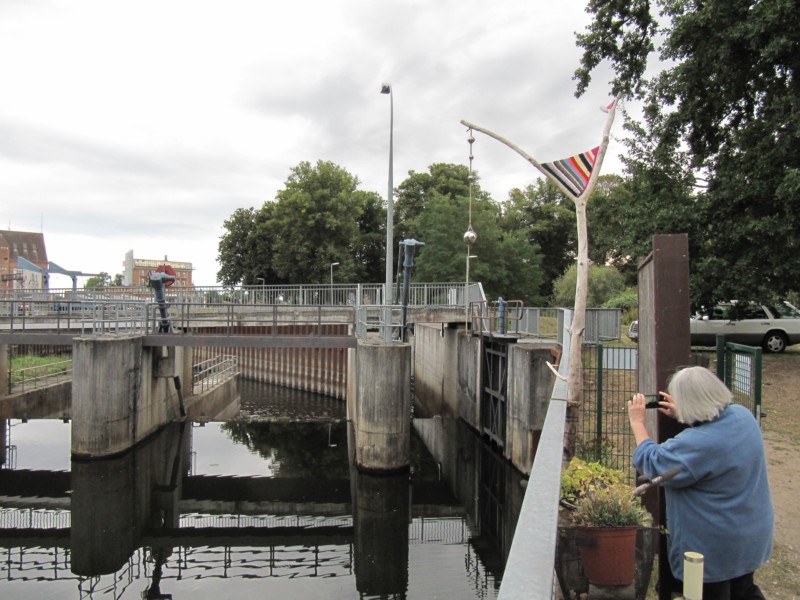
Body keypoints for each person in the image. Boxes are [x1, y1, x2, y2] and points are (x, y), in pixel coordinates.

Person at [627, 366, 773, 600]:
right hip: (749, 536)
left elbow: (654, 463)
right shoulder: (742, 416)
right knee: (744, 591)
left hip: (714, 548)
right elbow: (712, 440)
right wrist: (686, 414)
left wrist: (637, 423)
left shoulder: (700, 443)